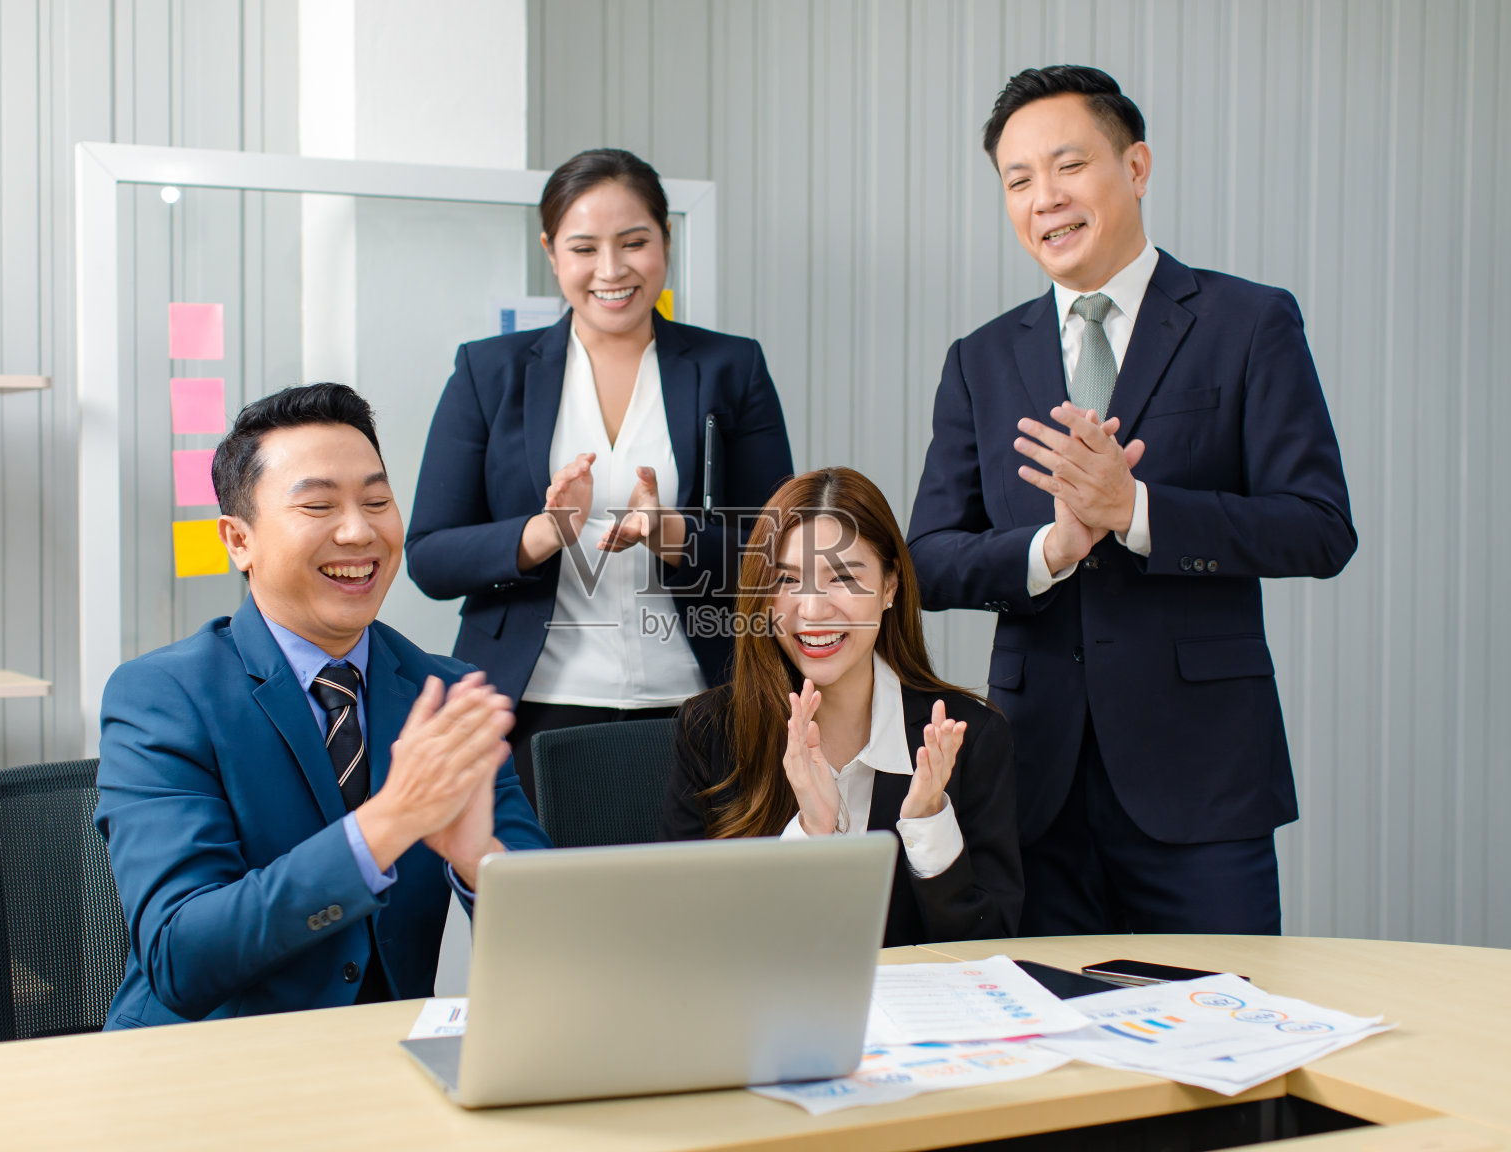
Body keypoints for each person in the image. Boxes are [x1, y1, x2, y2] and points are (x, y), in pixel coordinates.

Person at [907, 66, 1356, 936]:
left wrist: (1138, 512)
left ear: (1137, 166)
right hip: (1037, 783)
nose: (1046, 199)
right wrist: (1051, 551)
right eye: (1019, 179)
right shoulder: (983, 358)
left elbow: (1320, 526)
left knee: (1227, 1046)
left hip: (1201, 781)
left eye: (1068, 166)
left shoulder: (1248, 323)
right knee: (1054, 1051)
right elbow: (927, 557)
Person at [95, 383, 550, 1028]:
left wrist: (483, 865)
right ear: (239, 540)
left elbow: (557, 942)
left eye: (377, 501)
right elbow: (181, 956)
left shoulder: (446, 695)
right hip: (205, 1071)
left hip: (383, 1064)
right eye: (317, 506)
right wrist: (385, 825)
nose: (359, 531)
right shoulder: (164, 697)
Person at [407, 147, 794, 807]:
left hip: (699, 704)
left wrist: (675, 536)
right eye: (584, 248)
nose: (611, 271)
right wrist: (542, 533)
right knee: (547, 911)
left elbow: (778, 549)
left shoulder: (732, 367)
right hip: (530, 710)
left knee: (694, 909)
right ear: (552, 252)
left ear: (666, 241)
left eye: (634, 242)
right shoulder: (488, 372)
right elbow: (430, 556)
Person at [660, 467, 1023, 946]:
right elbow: (682, 936)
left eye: (844, 577)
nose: (811, 611)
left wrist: (927, 824)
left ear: (890, 586)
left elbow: (992, 946)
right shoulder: (712, 730)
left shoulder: (969, 737)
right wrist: (810, 832)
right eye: (787, 580)